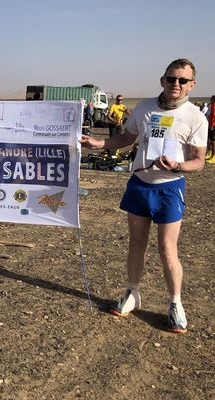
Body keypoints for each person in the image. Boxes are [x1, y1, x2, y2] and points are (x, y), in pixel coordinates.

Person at [80, 59, 207, 334]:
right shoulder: (145, 108)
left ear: (191, 85)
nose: (176, 84)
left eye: (183, 81)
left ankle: (175, 303)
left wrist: (178, 166)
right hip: (140, 184)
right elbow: (126, 138)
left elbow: (199, 161)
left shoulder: (196, 117)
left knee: (167, 250)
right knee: (136, 243)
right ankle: (132, 293)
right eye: (171, 78)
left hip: (169, 188)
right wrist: (98, 143)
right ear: (162, 80)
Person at [205, 96, 215, 163]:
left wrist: (211, 125)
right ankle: (210, 154)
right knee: (210, 140)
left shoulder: (213, 106)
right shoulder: (211, 106)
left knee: (213, 141)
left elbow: (213, 115)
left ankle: (213, 156)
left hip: (213, 126)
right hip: (211, 125)